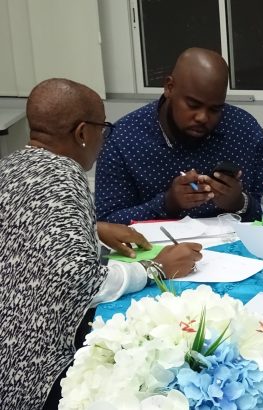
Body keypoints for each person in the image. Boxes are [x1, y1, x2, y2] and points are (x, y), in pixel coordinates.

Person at [0, 78, 202, 407]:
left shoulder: (9, 166)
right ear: (82, 133)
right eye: (102, 128)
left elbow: (26, 235)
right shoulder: (64, 175)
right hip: (34, 377)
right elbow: (79, 280)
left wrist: (93, 229)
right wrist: (154, 267)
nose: (104, 138)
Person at [95, 47, 263, 225]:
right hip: (157, 246)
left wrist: (240, 203)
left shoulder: (244, 130)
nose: (202, 117)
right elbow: (106, 223)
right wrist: (167, 204)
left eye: (215, 109)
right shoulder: (123, 139)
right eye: (193, 105)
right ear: (169, 87)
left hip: (237, 244)